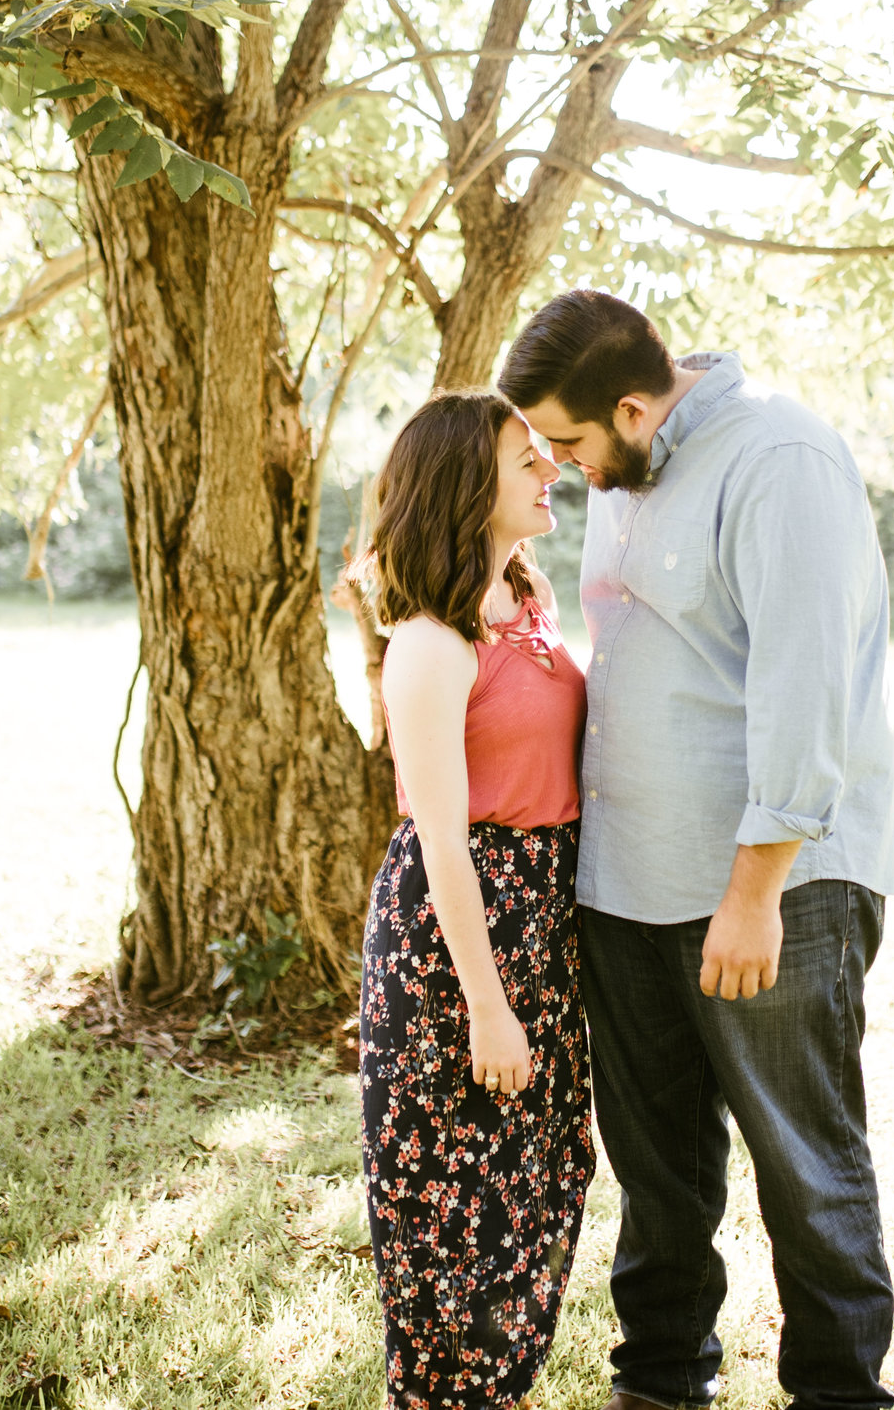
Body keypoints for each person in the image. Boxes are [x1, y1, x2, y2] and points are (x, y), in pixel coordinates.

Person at [498, 290, 894, 1410]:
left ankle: (836, 1393)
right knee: (659, 1168)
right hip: (627, 880)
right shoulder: (629, 467)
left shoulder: (780, 458)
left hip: (770, 888)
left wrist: (753, 889)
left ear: (631, 405)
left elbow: (805, 688)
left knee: (803, 1167)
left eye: (572, 443)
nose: (564, 467)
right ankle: (662, 1382)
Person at [354, 388, 597, 1410]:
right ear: (467, 481)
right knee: (455, 1213)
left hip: (544, 920)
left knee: (542, 1181)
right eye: (526, 458)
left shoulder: (527, 605)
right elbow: (440, 838)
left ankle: (501, 1390)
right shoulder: (428, 641)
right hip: (456, 941)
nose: (550, 471)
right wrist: (488, 1004)